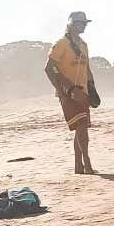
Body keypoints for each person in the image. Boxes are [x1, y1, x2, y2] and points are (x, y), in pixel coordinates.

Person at [43, 11, 96, 175]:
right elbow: (49, 67)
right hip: (69, 92)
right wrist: (61, 89)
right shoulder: (61, 44)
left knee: (81, 126)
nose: (84, 26)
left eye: (85, 23)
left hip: (83, 91)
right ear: (72, 24)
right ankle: (87, 163)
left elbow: (87, 68)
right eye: (81, 23)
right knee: (81, 126)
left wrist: (92, 88)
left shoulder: (83, 45)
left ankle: (78, 166)